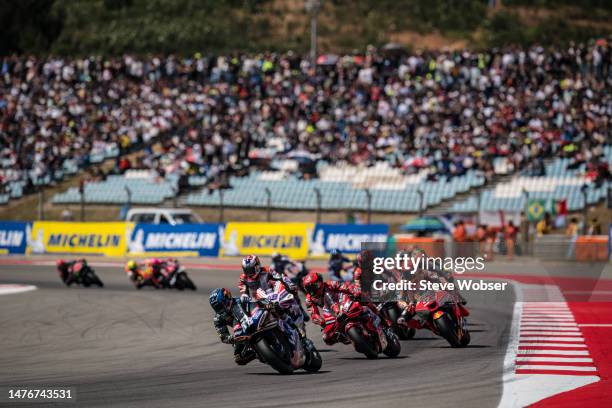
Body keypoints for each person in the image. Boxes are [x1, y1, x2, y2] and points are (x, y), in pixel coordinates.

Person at [302, 272, 384, 345]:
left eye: (314, 286)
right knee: (327, 338)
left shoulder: (331, 284)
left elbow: (346, 287)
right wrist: (321, 321)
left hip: (342, 301)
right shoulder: (309, 299)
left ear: (320, 282)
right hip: (330, 312)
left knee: (362, 297)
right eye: (309, 289)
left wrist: (354, 291)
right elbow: (313, 314)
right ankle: (347, 337)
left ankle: (378, 314)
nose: (312, 290)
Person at [238, 255, 306, 334]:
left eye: (250, 270)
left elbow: (280, 278)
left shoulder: (267, 270)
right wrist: (244, 295)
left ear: (257, 267)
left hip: (273, 294)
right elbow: (243, 291)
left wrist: (289, 284)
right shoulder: (243, 278)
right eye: (246, 270)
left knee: (292, 293)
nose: (249, 273)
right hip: (259, 300)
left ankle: (300, 310)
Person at [209, 288, 256, 366]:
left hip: (252, 318)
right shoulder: (218, 319)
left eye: (221, 305)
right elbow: (223, 336)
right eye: (217, 308)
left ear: (227, 297)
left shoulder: (239, 300)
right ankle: (258, 352)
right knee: (239, 357)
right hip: (241, 331)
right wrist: (230, 339)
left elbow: (258, 302)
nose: (221, 308)